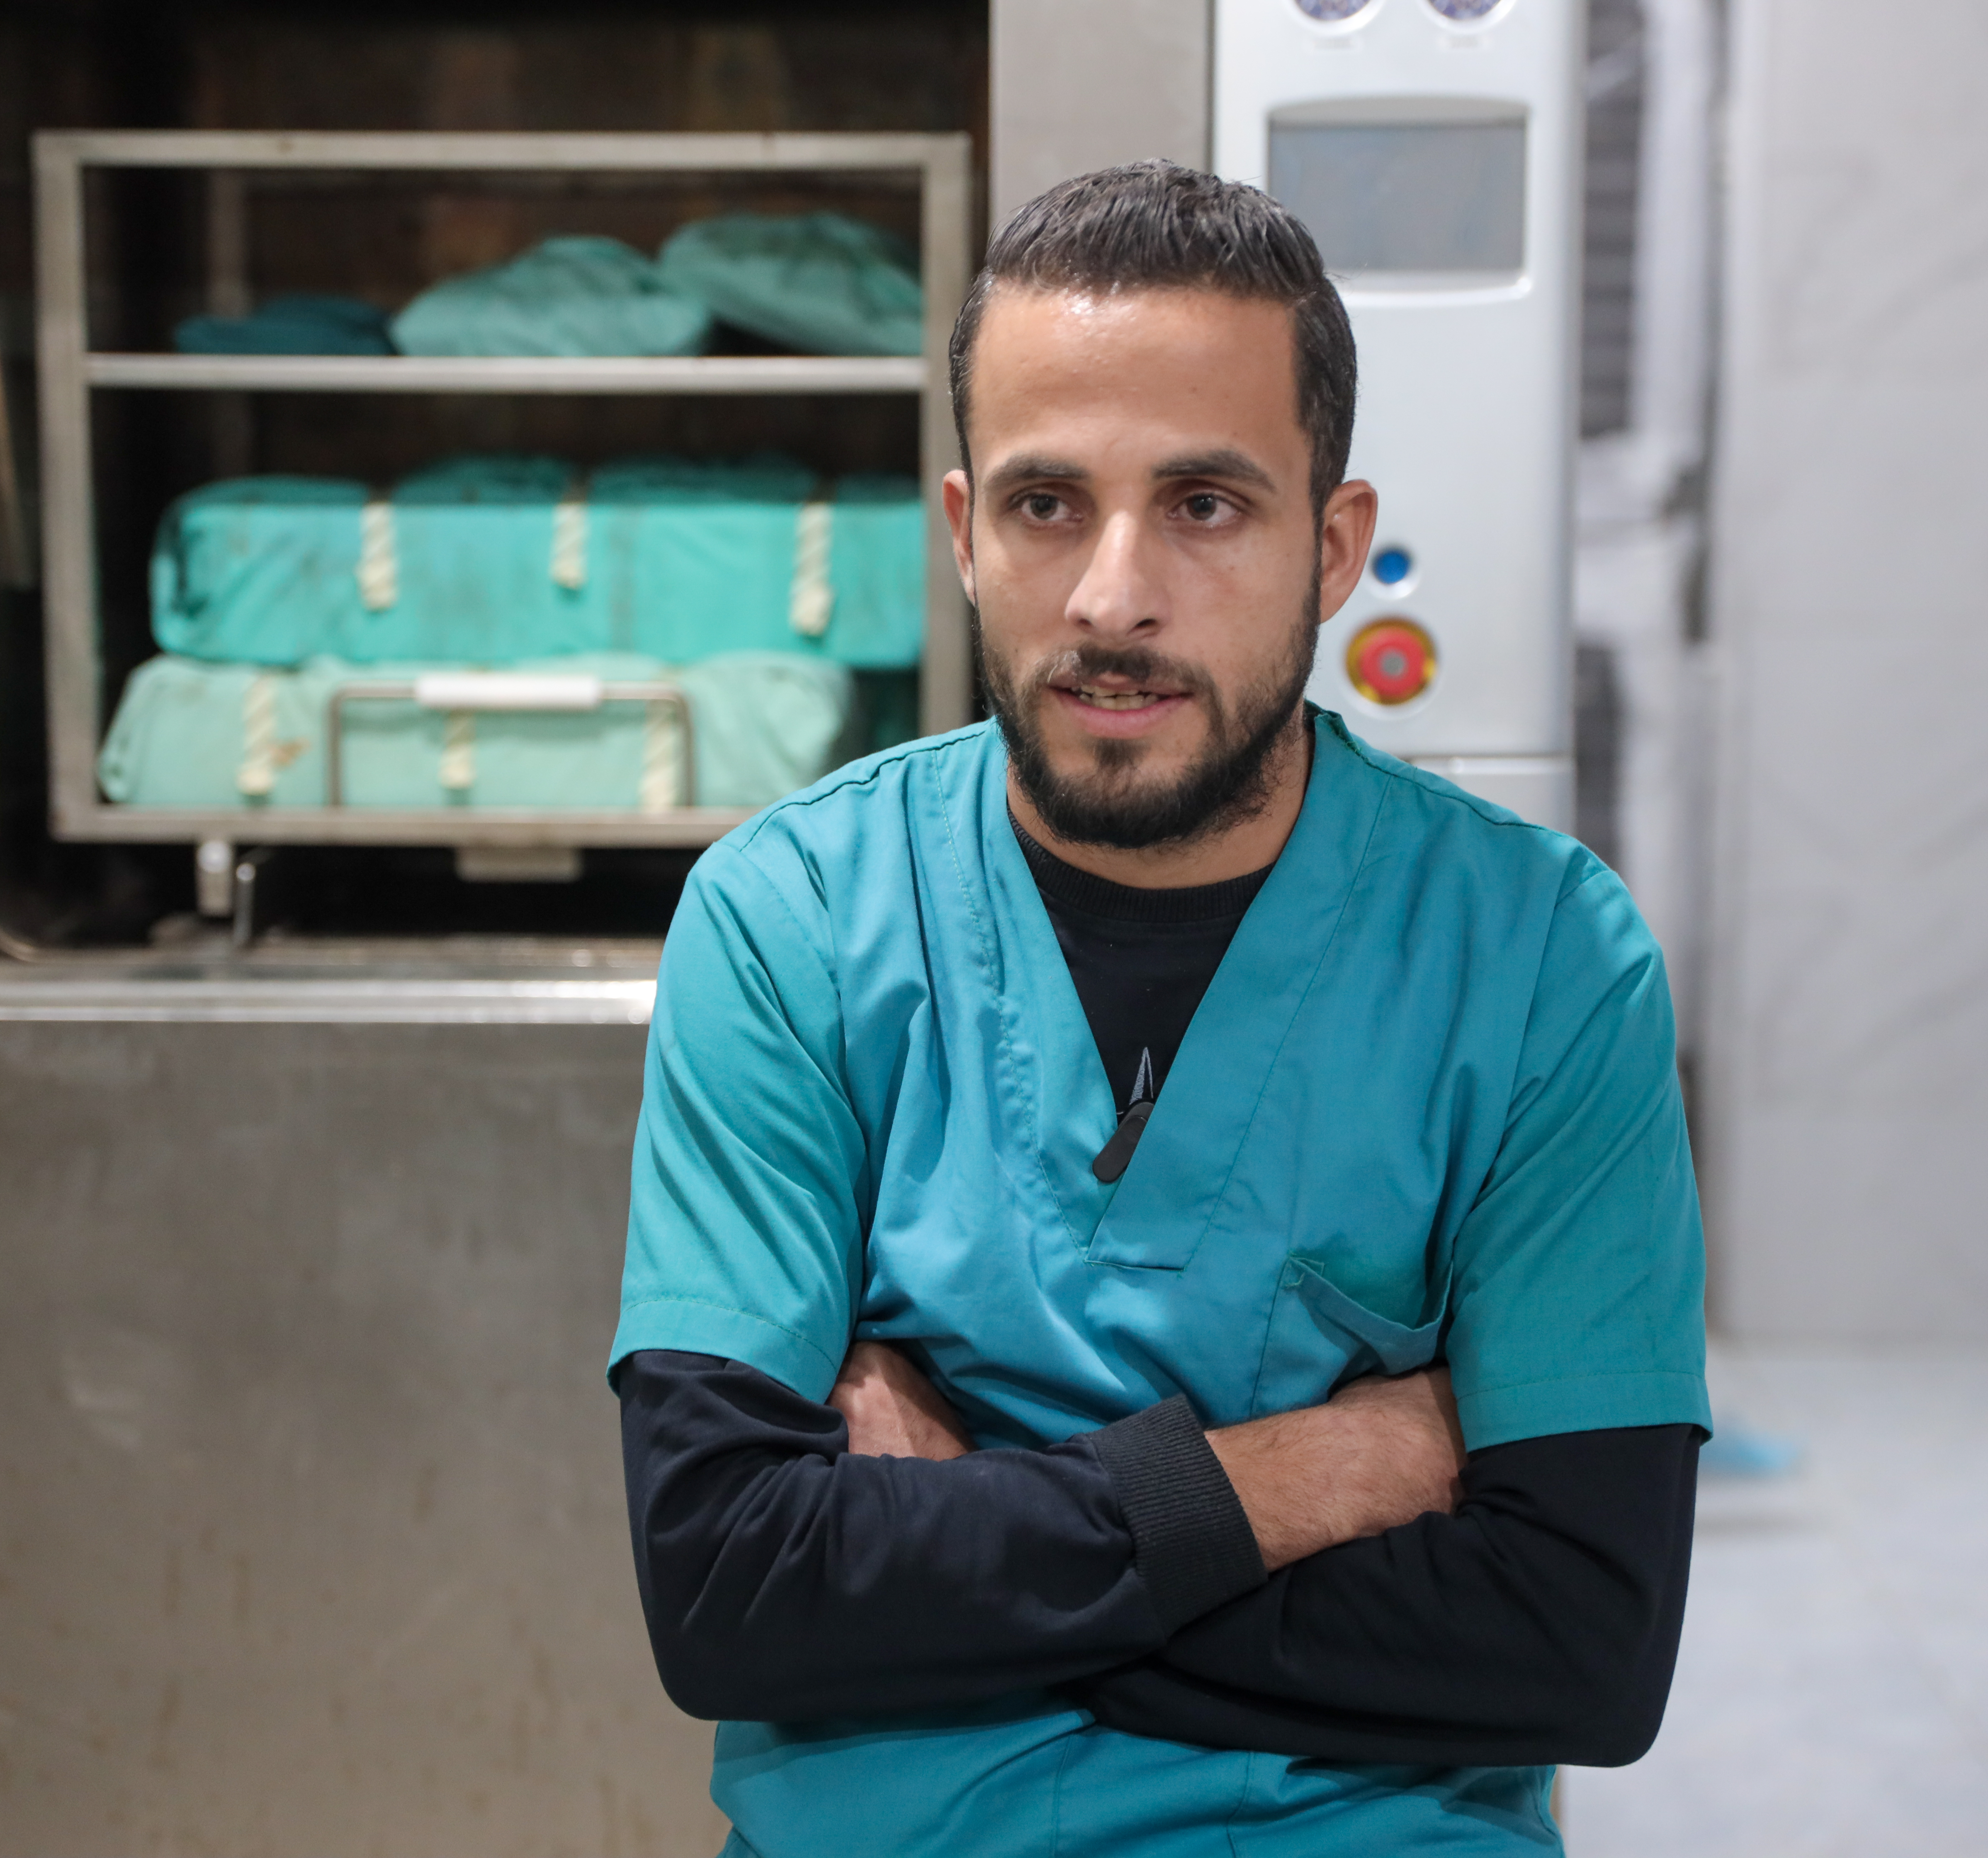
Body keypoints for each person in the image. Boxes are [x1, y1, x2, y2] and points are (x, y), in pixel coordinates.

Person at [608, 161, 1709, 1857]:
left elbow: (1581, 1641)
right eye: (1051, 505)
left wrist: (959, 1549)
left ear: (1332, 547)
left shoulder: (1540, 960)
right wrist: (1305, 1479)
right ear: (968, 534)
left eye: (1206, 503)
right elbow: (732, 1591)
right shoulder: (795, 923)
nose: (1115, 595)